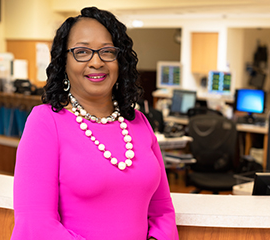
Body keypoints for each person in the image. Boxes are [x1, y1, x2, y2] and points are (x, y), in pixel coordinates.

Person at [11, 6, 179, 240]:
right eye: (82, 52)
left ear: (119, 60)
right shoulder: (46, 122)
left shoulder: (139, 122)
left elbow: (163, 211)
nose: (96, 62)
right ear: (64, 62)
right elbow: (36, 223)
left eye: (107, 52)